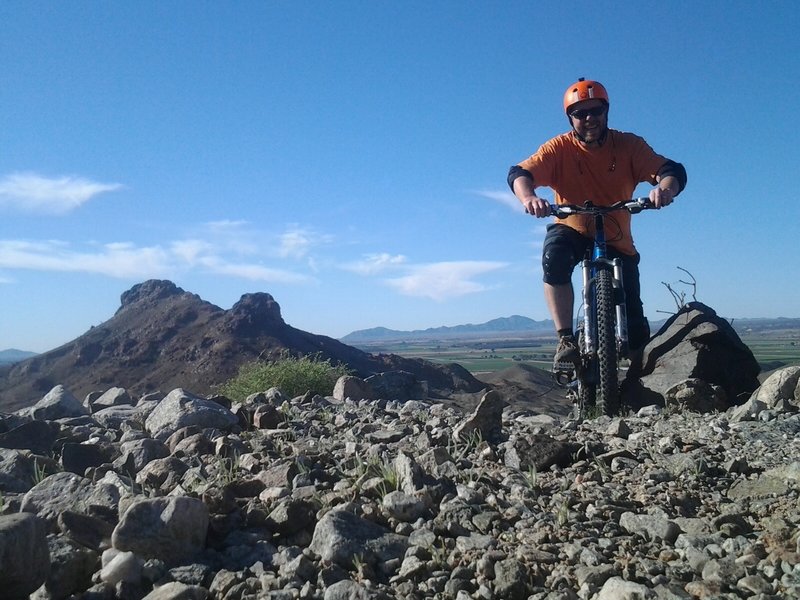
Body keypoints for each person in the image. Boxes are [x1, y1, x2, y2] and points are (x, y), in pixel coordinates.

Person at [507, 78, 686, 368]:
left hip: (616, 233)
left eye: (595, 111)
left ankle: (638, 388)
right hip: (571, 224)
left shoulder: (628, 145)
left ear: (606, 112)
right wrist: (529, 198)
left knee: (636, 328)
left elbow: (670, 170)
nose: (589, 119)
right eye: (580, 114)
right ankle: (565, 339)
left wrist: (665, 189)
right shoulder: (558, 148)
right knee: (554, 258)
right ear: (570, 118)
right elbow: (519, 173)